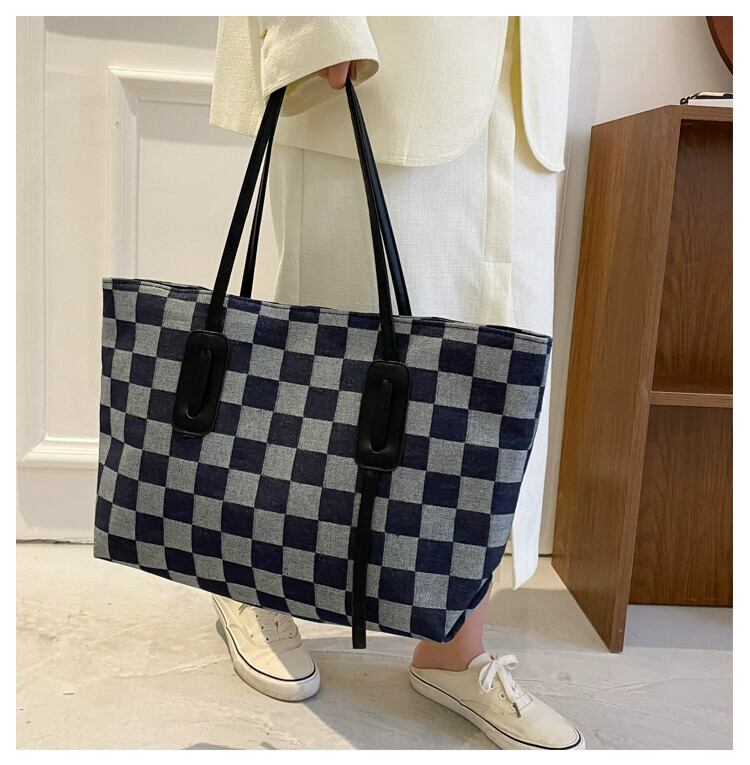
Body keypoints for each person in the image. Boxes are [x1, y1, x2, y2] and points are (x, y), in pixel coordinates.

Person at [208, 16, 583, 750]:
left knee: (488, 381)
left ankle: (453, 643)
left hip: (519, 81)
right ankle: (247, 580)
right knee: (322, 360)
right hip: (376, 60)